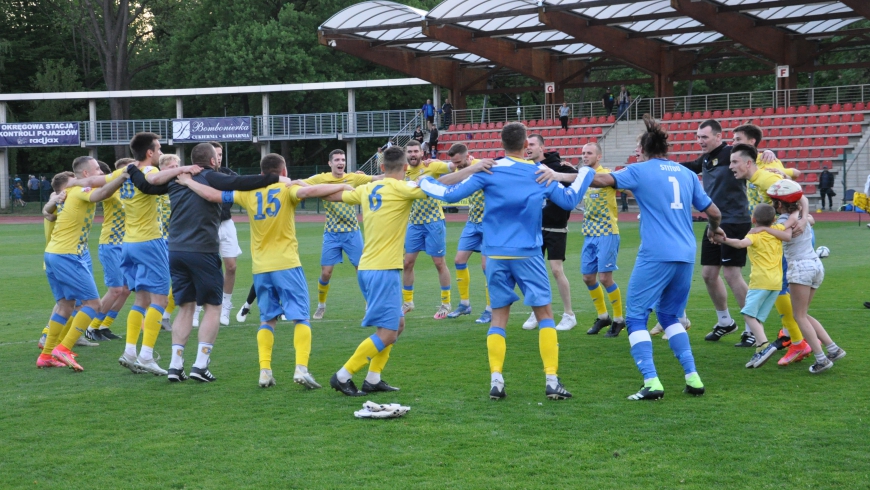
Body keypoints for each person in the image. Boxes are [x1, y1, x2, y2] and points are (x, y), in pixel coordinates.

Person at [537, 115, 720, 401]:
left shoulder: (640, 170)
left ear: (645, 150)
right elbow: (714, 212)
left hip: (656, 254)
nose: (636, 152)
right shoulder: (686, 173)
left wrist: (559, 176)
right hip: (686, 254)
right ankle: (693, 377)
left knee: (635, 318)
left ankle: (652, 382)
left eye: (638, 147)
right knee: (670, 316)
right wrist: (715, 230)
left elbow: (598, 179)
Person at [419, 122, 595, 401]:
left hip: (496, 255)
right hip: (528, 254)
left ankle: (497, 380)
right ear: (526, 145)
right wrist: (586, 171)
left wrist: (423, 180)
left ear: (501, 144)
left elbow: (449, 194)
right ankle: (551, 380)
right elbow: (570, 200)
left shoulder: (488, 170)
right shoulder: (539, 173)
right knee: (545, 316)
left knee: (498, 319)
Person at [178, 152, 349, 388]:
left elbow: (212, 194)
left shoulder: (249, 193)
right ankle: (301, 368)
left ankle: (265, 371)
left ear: (260, 174)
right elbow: (309, 192)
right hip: (287, 264)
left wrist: (188, 181)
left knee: (267, 320)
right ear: (284, 172)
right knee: (300, 317)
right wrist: (344, 185)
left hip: (261, 268)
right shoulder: (286, 189)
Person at [126, 142, 285, 382]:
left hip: (176, 250)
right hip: (202, 250)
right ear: (212, 161)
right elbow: (243, 182)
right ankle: (200, 365)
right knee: (213, 306)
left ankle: (175, 365)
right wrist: (275, 178)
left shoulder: (176, 178)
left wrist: (131, 169)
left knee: (186, 306)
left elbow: (145, 185)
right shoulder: (212, 177)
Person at [71, 132, 201, 376]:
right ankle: (146, 356)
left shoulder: (124, 172)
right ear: (149, 152)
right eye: (159, 149)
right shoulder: (147, 172)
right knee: (160, 301)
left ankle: (130, 352)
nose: (161, 153)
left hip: (128, 244)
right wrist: (184, 168)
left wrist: (71, 183)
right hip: (150, 242)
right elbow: (158, 177)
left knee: (141, 300)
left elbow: (97, 181)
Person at [327, 146, 429, 397]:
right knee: (388, 332)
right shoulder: (404, 188)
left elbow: (334, 195)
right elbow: (437, 189)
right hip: (383, 269)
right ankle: (343, 375)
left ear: (381, 168)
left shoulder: (366, 189)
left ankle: (373, 379)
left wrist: (308, 188)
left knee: (398, 324)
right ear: (406, 167)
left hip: (370, 267)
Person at [682, 120, 775, 348]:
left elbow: (752, 156)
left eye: (704, 137)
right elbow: (685, 167)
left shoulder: (730, 152)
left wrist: (768, 153)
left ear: (717, 136)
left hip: (735, 221)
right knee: (708, 274)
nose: (700, 141)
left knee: (733, 275)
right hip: (714, 221)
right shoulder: (704, 159)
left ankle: (751, 329)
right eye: (698, 137)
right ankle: (725, 321)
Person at [37, 156, 128, 370]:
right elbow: (103, 192)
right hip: (69, 255)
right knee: (93, 304)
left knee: (66, 305)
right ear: (86, 173)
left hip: (53, 254)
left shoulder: (67, 192)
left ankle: (47, 355)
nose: (101, 171)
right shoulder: (80, 190)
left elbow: (49, 210)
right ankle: (64, 348)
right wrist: (122, 176)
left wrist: (48, 206)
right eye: (97, 168)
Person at [760, 181, 846, 373]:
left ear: (780, 205)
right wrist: (803, 214)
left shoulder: (783, 222)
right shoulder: (801, 216)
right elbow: (805, 207)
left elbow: (785, 236)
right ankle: (833, 349)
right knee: (804, 314)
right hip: (816, 265)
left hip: (800, 268)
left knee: (798, 316)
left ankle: (821, 359)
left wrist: (763, 229)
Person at [714, 203, 785, 369]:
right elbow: (792, 222)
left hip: (760, 281)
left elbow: (740, 244)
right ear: (774, 219)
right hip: (776, 282)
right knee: (757, 317)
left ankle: (766, 345)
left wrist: (722, 239)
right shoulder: (778, 230)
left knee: (747, 314)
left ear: (753, 219)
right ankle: (760, 348)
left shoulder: (754, 235)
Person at [521, 134, 578, 332]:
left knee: (556, 269)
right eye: (526, 145)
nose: (528, 147)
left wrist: (564, 173)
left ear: (542, 148)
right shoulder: (525, 168)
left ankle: (569, 314)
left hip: (556, 226)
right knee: (534, 271)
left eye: (533, 144)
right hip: (535, 227)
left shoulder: (558, 166)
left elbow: (577, 177)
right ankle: (537, 311)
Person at [401, 140, 458, 319]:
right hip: (414, 222)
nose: (412, 154)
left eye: (415, 151)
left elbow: (451, 167)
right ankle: (408, 302)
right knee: (407, 263)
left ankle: (446, 303)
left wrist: (460, 160)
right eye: (409, 151)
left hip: (434, 221)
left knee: (439, 263)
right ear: (406, 154)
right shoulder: (402, 172)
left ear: (421, 153)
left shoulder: (431, 167)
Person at [575, 142, 625, 337]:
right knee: (588, 277)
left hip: (607, 233)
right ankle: (603, 316)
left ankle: (619, 319)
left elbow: (630, 190)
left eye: (589, 153)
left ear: (599, 156)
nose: (585, 156)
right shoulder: (583, 176)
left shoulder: (609, 176)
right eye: (583, 153)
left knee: (605, 278)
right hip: (589, 233)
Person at [439, 143, 492, 323]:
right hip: (472, 222)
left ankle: (490, 308)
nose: (457, 166)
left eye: (459, 162)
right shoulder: (461, 172)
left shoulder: (482, 166)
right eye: (454, 163)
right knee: (459, 260)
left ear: (468, 156)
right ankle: (465, 304)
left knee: (487, 266)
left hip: (489, 224)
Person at [84, 159, 132, 342]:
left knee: (126, 289)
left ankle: (104, 326)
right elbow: (97, 190)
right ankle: (91, 327)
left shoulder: (131, 191)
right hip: (111, 243)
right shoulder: (112, 191)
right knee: (116, 289)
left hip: (127, 244)